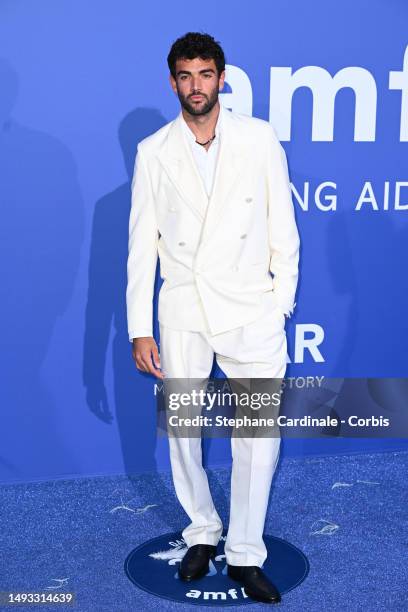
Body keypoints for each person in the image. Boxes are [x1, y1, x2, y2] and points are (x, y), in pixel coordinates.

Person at [126, 31, 300, 604]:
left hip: (251, 310)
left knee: (257, 439)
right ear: (172, 81)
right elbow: (141, 248)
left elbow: (283, 230)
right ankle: (202, 529)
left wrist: (279, 305)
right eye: (185, 75)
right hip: (182, 311)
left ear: (222, 78)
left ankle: (246, 553)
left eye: (205, 74)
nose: (195, 86)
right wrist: (140, 325)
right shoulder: (154, 151)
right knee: (183, 430)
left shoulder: (257, 138)